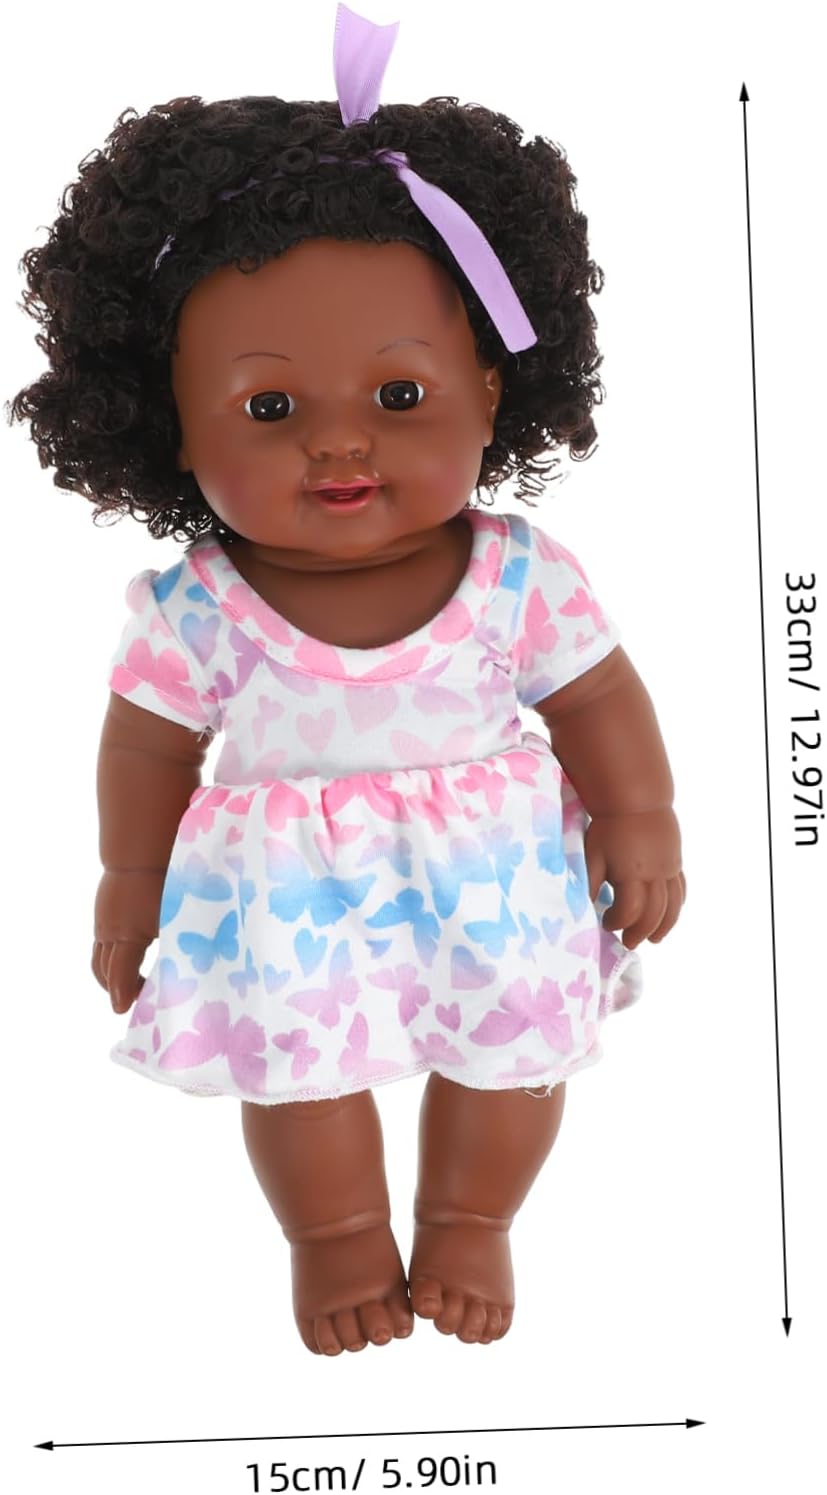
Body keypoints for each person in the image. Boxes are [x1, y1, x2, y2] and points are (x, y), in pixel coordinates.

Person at [7, 3, 684, 1356]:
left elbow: (597, 697)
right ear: (170, 426)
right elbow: (145, 750)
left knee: (514, 1053)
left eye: (399, 397)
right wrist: (129, 881)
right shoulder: (199, 608)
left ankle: (472, 1217)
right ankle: (336, 1239)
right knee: (296, 1073)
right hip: (285, 905)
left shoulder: (516, 575)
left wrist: (640, 813)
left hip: (496, 879)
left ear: (489, 390)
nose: (338, 446)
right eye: (269, 410)